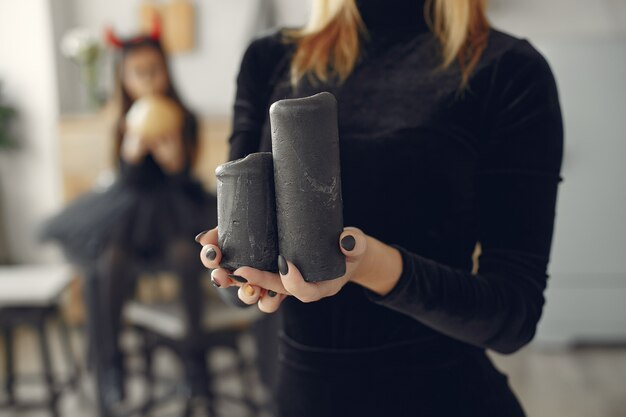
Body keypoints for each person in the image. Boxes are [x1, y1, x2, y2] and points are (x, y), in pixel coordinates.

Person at [196, 0, 563, 415]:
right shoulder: (271, 60)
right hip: (300, 398)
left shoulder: (508, 70)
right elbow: (236, 283)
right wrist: (235, 271)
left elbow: (514, 315)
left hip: (440, 398)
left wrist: (370, 266)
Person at [42, 23, 216, 405]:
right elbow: (125, 179)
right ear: (124, 78)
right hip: (130, 210)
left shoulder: (183, 115)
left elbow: (185, 174)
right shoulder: (121, 120)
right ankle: (110, 364)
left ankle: (195, 359)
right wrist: (131, 153)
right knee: (110, 262)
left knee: (188, 256)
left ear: (166, 70)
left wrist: (175, 161)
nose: (148, 79)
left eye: (154, 69)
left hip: (176, 209)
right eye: (138, 72)